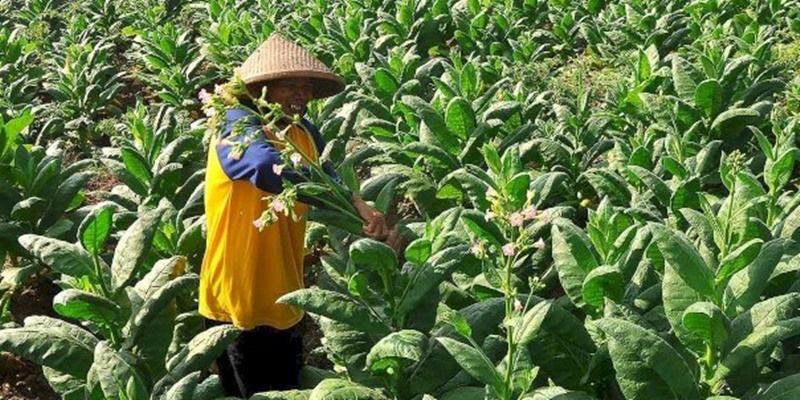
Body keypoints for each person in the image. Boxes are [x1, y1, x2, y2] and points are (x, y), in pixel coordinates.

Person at [198, 33, 397, 397]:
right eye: (291, 85)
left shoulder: (304, 131)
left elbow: (328, 176)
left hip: (287, 293)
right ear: (261, 89)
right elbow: (264, 167)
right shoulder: (235, 125)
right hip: (239, 300)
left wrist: (358, 205)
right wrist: (341, 197)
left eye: (306, 87)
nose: (302, 95)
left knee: (287, 386)